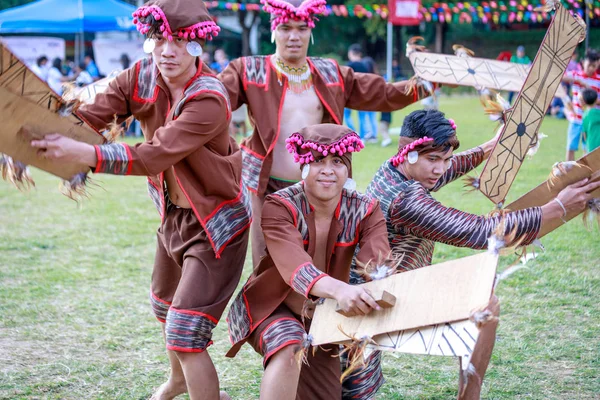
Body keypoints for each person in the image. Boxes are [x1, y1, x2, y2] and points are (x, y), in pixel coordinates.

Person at [29, 1, 251, 399]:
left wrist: (87, 156)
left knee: (186, 330)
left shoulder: (210, 98)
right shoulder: (141, 75)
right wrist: (35, 131)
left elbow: (154, 154)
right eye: (160, 38)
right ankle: (178, 382)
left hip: (217, 226)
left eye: (180, 41)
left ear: (198, 45)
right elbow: (92, 115)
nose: (168, 50)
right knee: (167, 311)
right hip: (172, 218)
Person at [345, 109, 600, 400]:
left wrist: (492, 146)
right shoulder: (406, 200)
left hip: (385, 288)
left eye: (444, 159)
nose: (440, 169)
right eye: (432, 160)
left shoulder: (394, 169)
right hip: (384, 301)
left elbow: (450, 167)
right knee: (486, 304)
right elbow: (482, 231)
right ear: (410, 154)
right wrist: (557, 207)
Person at [218, 0, 435, 268]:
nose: (294, 36)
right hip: (268, 188)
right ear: (274, 31)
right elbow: (210, 103)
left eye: (302, 28)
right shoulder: (249, 70)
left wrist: (425, 85)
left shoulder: (330, 73)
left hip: (323, 187)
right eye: (286, 28)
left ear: (311, 32)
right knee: (270, 265)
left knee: (322, 262)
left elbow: (382, 93)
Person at [225, 124, 393, 400]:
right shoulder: (279, 205)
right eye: (318, 161)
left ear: (347, 168)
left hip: (326, 315)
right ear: (303, 166)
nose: (328, 170)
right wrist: (341, 290)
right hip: (274, 307)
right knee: (291, 344)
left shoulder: (366, 209)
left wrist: (380, 288)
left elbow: (377, 264)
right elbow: (296, 267)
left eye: (337, 161)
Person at [562, 50, 600, 161]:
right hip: (576, 118)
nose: (591, 69)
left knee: (589, 149)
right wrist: (579, 80)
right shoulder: (576, 75)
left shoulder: (598, 80)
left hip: (591, 121)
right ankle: (569, 174)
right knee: (571, 147)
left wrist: (590, 100)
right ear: (583, 63)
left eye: (594, 66)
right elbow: (560, 77)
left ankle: (587, 175)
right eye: (589, 66)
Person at [343, 44, 372, 140]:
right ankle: (362, 136)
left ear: (350, 53)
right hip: (362, 93)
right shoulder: (365, 66)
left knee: (346, 115)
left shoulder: (349, 66)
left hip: (349, 94)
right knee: (362, 116)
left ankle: (353, 131)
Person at [581, 88, 600, 153]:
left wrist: (587, 144)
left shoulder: (584, 114)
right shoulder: (597, 113)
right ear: (596, 99)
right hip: (598, 144)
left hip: (590, 145)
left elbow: (584, 133)